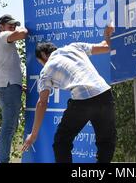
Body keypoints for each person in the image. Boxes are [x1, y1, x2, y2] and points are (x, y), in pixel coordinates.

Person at [22, 25, 116, 163]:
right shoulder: (75, 47)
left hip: (82, 100)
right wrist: (107, 33)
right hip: (105, 94)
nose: (42, 65)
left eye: (40, 62)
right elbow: (106, 46)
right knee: (106, 142)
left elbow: (42, 102)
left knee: (61, 142)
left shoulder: (46, 69)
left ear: (43, 55)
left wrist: (33, 134)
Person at [0, 14, 28, 163]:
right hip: (7, 88)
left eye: (15, 24)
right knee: (8, 128)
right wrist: (24, 28)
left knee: (11, 125)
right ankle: (3, 161)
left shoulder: (0, 42)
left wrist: (18, 85)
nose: (13, 27)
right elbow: (23, 34)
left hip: (8, 87)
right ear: (1, 26)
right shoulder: (3, 36)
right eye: (10, 24)